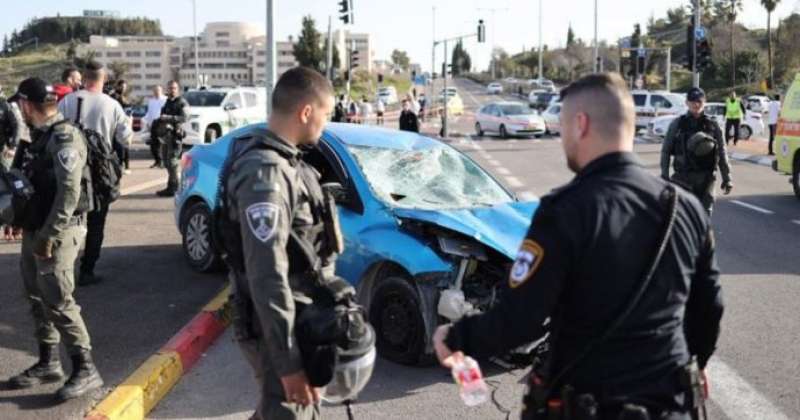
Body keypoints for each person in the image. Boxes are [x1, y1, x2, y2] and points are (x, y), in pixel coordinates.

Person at [433, 73, 724, 420]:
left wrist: (455, 336)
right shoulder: (685, 207)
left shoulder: (564, 211)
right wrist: (696, 364)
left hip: (591, 405)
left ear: (581, 124)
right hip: (670, 404)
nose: (561, 138)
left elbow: (519, 321)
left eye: (564, 125)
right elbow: (710, 308)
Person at [219, 66, 339, 420]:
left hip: (299, 319)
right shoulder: (266, 174)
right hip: (279, 331)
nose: (325, 123)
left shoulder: (288, 163)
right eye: (325, 114)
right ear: (305, 111)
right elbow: (266, 274)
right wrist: (289, 366)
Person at [7, 77, 104, 400]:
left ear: (27, 105)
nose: (19, 109)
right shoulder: (38, 137)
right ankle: (49, 362)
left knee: (59, 299)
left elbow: (69, 192)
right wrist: (20, 220)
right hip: (38, 227)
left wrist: (48, 235)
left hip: (59, 230)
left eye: (20, 103)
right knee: (36, 295)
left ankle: (85, 369)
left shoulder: (64, 138)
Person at [59, 61, 133, 286]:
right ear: (103, 80)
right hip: (100, 172)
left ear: (84, 77)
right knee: (96, 223)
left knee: (65, 218)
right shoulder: (111, 105)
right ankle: (87, 270)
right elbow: (125, 139)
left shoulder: (68, 101)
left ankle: (62, 269)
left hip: (69, 168)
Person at [661, 87, 732, 214]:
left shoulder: (713, 124)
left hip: (706, 178)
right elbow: (666, 151)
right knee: (682, 216)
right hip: (682, 177)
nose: (696, 104)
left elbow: (722, 151)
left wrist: (727, 177)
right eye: (692, 101)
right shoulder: (677, 124)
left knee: (705, 216)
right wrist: (664, 175)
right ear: (686, 103)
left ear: (704, 102)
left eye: (699, 101)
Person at [154, 80, 189, 197]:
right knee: (166, 162)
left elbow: (184, 117)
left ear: (178, 89)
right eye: (170, 88)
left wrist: (168, 117)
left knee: (173, 162)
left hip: (175, 137)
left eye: (174, 88)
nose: (172, 90)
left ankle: (176, 188)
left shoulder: (182, 102)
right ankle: (170, 186)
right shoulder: (167, 102)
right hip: (165, 136)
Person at [110, 80, 132, 174]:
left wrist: (130, 121)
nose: (123, 88)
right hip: (116, 124)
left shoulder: (126, 98)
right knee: (117, 145)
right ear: (117, 86)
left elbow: (129, 111)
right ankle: (119, 165)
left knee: (126, 145)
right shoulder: (114, 96)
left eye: (125, 87)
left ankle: (126, 166)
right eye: (121, 86)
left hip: (125, 123)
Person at [144, 85, 167, 167]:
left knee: (160, 144)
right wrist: (148, 123)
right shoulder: (151, 101)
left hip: (162, 124)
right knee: (153, 145)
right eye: (155, 90)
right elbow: (150, 113)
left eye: (158, 90)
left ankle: (162, 162)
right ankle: (157, 161)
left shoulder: (165, 100)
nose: (156, 92)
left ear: (161, 91)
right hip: (153, 124)